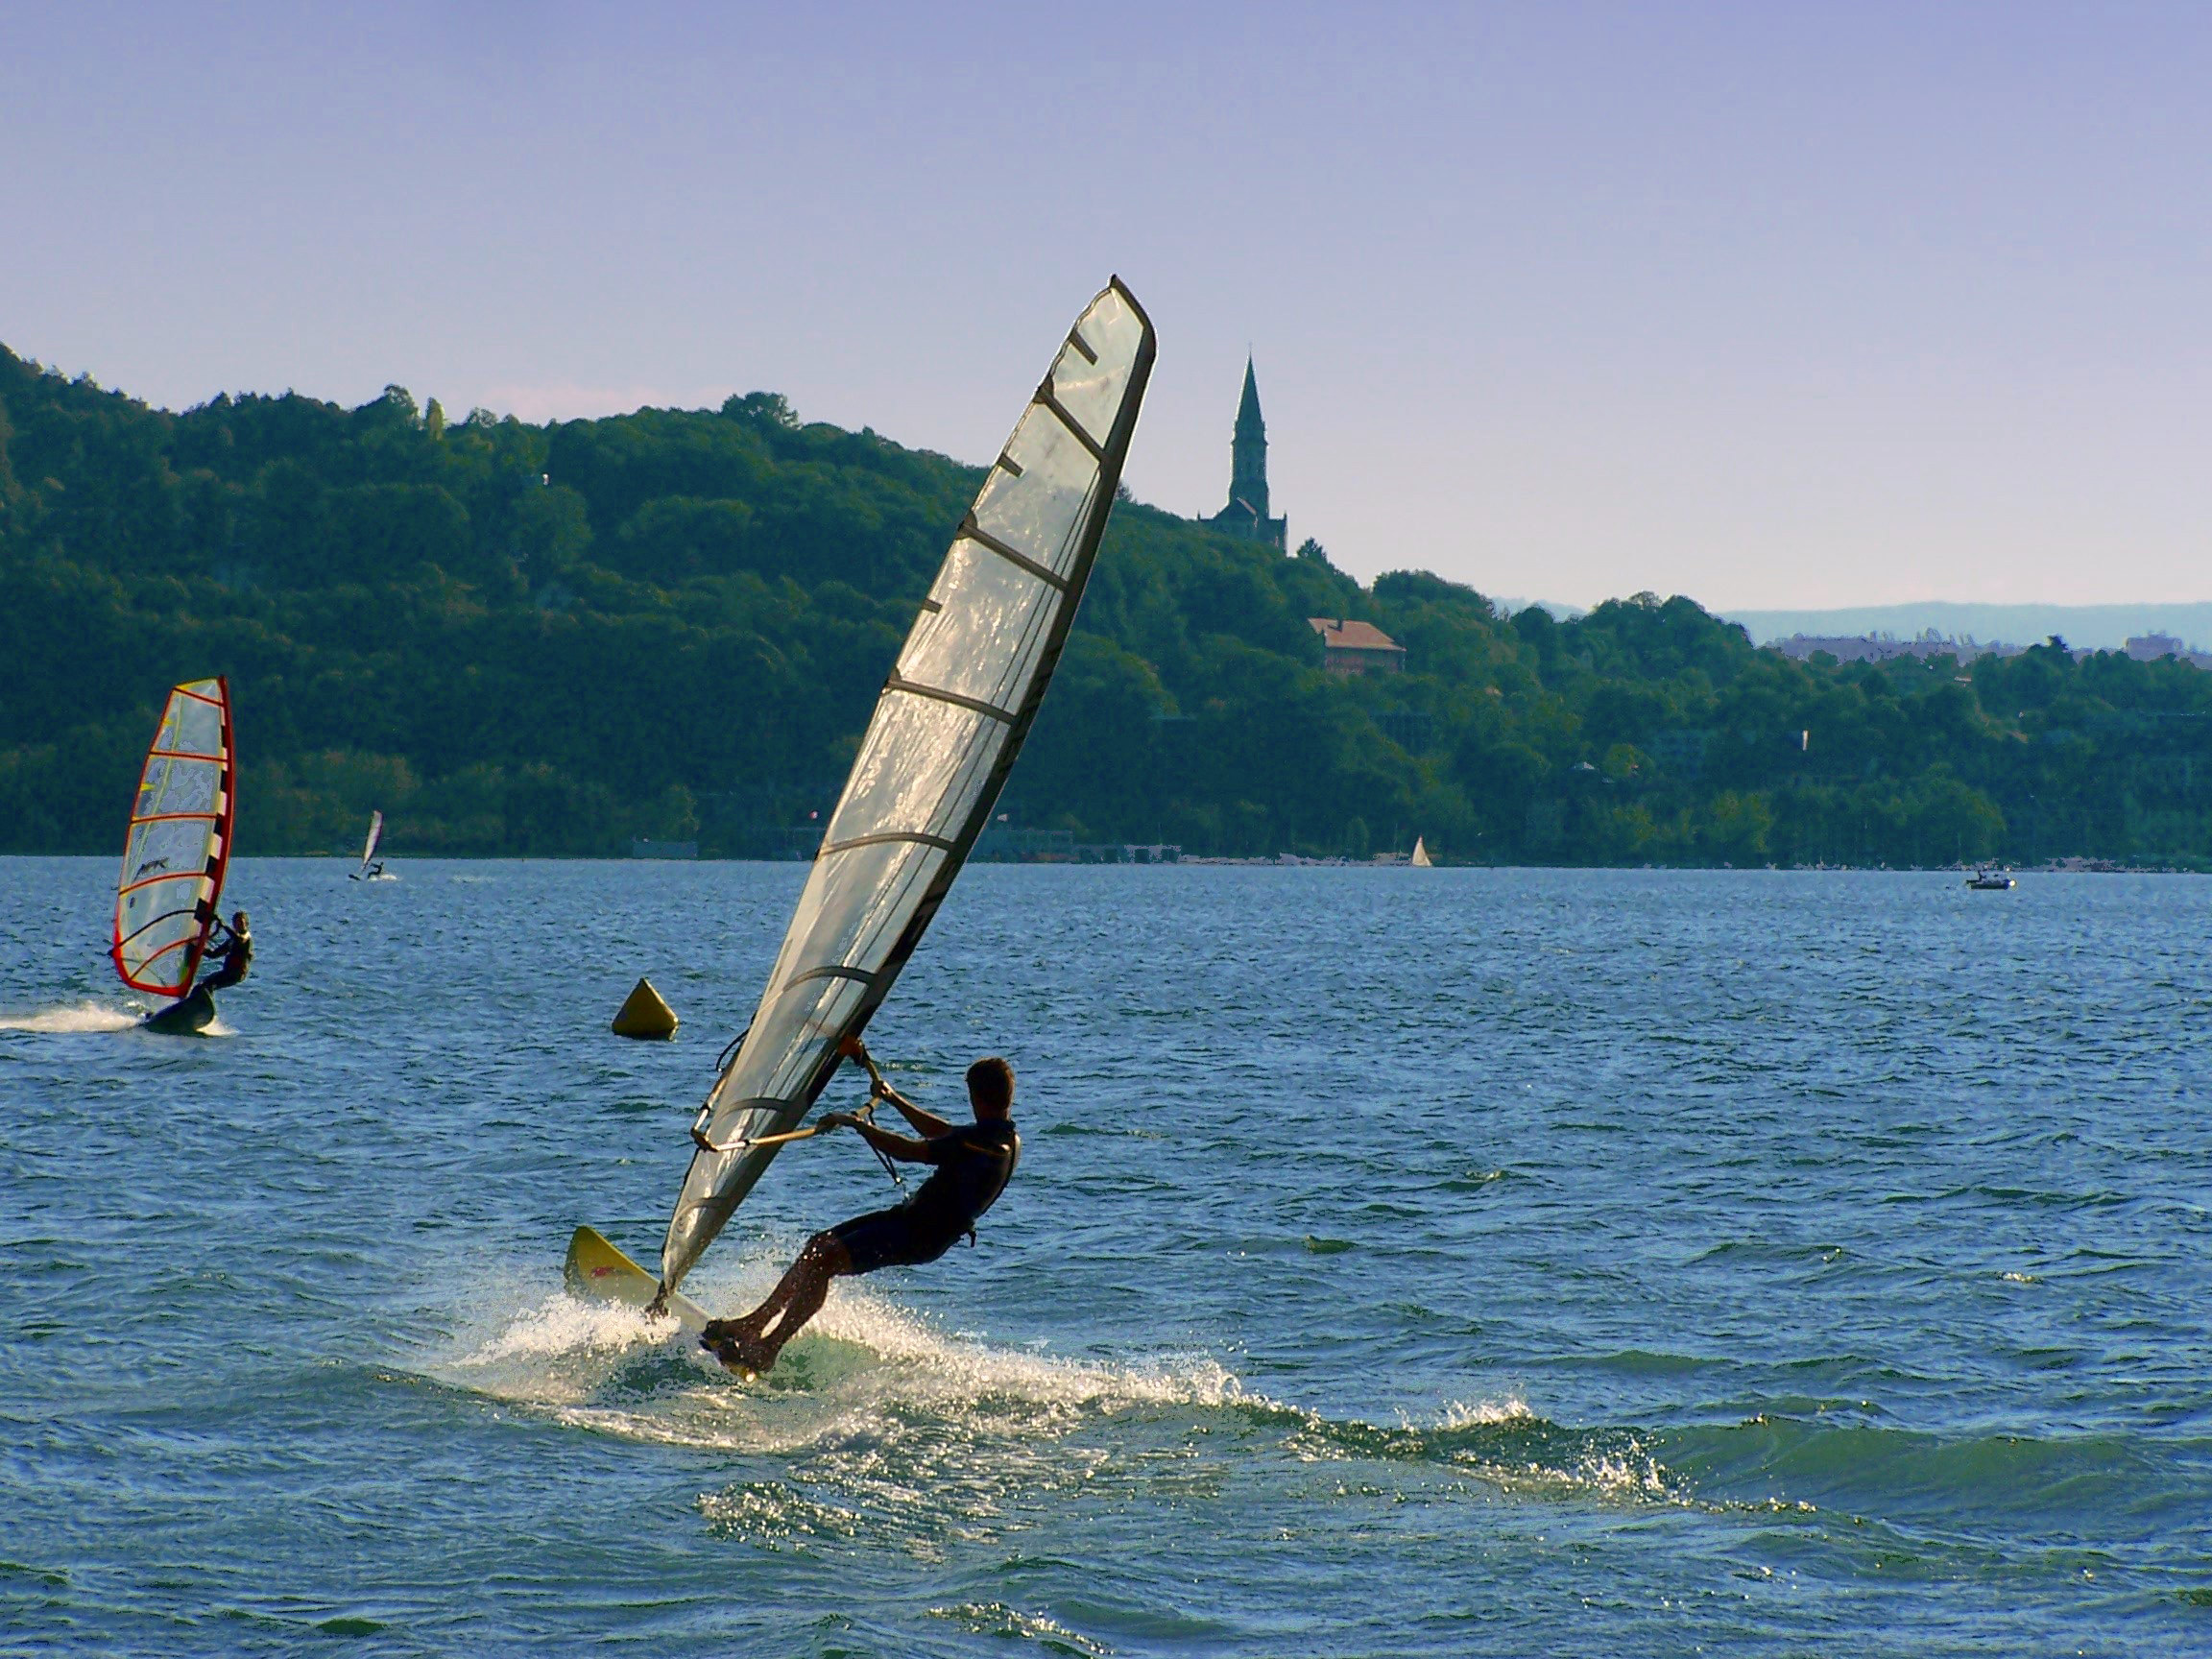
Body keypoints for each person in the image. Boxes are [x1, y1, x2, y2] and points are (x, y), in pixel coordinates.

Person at [700, 1036, 1021, 1377]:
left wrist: (856, 1125)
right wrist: (893, 1099)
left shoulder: (987, 1146)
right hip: (910, 1221)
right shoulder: (1002, 1136)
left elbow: (910, 1151)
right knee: (818, 1246)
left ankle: (768, 1348)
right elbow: (942, 1132)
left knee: (824, 1259)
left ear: (976, 1097)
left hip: (920, 1235)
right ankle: (753, 1325)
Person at [196, 909, 252, 994]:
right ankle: (198, 999)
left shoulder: (246, 937)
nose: (239, 925)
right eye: (236, 923)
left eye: (241, 922)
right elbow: (214, 954)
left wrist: (223, 925)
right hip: (228, 972)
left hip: (236, 974)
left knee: (208, 985)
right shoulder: (231, 941)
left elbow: (239, 939)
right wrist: (200, 949)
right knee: (203, 985)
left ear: (246, 924)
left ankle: (203, 996)